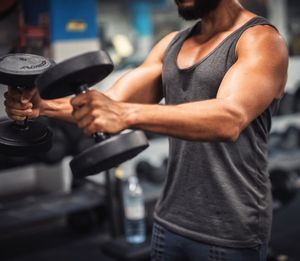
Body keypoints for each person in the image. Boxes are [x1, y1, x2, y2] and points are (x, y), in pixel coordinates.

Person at [4, 0, 288, 260]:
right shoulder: (171, 45)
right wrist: (43, 106)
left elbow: (229, 118)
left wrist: (126, 115)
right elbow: (112, 101)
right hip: (168, 221)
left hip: (230, 228)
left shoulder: (261, 40)